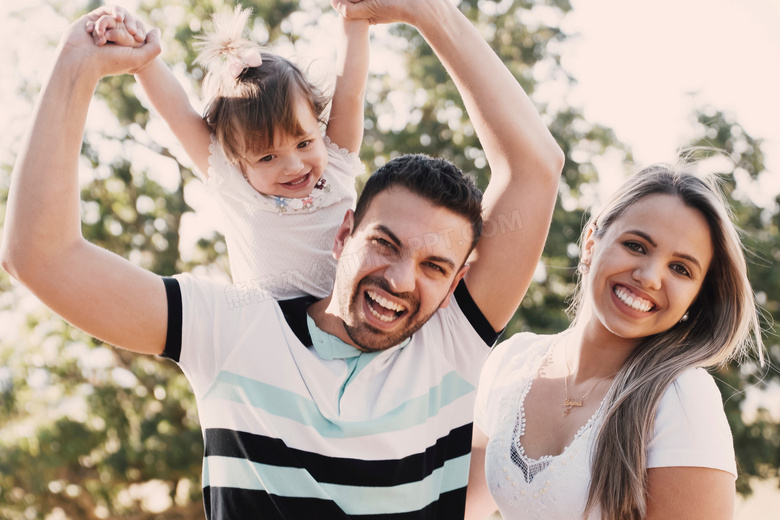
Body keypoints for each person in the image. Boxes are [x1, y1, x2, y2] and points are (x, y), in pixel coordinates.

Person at [0, 0, 564, 518]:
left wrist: (427, 12)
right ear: (345, 231)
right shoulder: (233, 330)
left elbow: (536, 167)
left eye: (434, 266)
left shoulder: (450, 344)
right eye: (384, 243)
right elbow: (41, 257)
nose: (399, 278)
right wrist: (78, 64)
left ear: (460, 278)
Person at [466, 162, 763, 520]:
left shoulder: (682, 398)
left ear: (696, 297)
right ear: (591, 242)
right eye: (636, 245)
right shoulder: (512, 361)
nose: (650, 277)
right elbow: (459, 507)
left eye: (680, 269)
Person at [87, 4, 369, 299]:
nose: (294, 165)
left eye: (304, 143)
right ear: (238, 160)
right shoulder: (233, 182)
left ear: (318, 124)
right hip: (271, 329)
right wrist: (141, 59)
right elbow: (180, 114)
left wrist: (353, 12)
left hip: (345, 322)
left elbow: (351, 89)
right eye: (267, 157)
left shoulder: (336, 161)